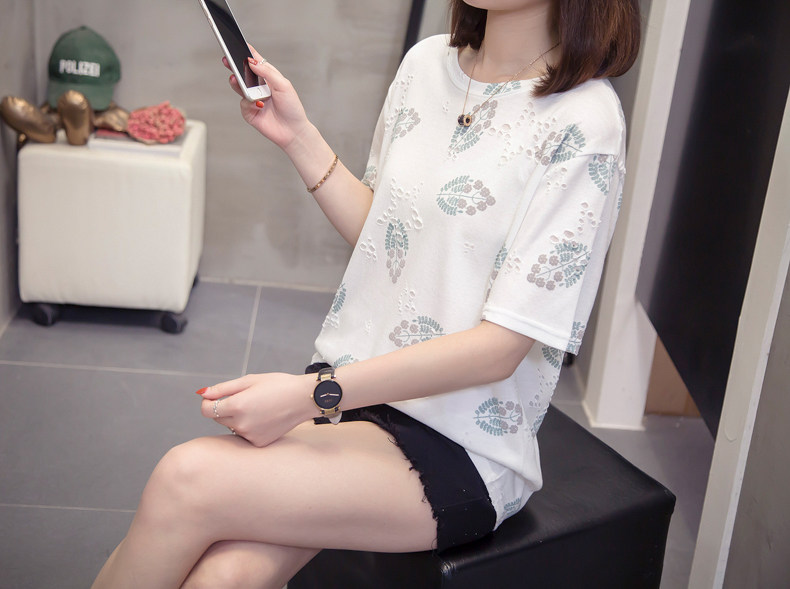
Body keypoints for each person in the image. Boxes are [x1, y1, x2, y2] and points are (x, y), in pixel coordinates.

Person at [92, 0, 640, 586]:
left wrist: (312, 395)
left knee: (186, 478)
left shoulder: (586, 121)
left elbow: (500, 349)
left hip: (462, 441)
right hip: (357, 395)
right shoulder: (425, 65)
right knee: (226, 578)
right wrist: (297, 135)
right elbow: (387, 241)